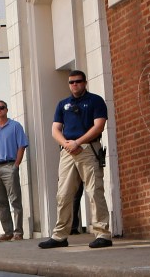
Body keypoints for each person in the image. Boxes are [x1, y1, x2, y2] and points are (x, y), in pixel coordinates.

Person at [39, 70, 112, 249]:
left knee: (94, 191)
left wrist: (78, 142)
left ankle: (102, 234)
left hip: (88, 148)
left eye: (78, 81)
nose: (74, 85)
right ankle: (60, 236)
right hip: (67, 151)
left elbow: (99, 126)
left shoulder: (95, 101)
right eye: (71, 82)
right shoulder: (63, 104)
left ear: (85, 82)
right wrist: (66, 143)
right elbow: (55, 129)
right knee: (63, 194)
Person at [0, 100, 29, 241]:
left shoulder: (15, 126)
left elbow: (22, 146)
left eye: (2, 108)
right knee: (1, 201)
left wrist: (16, 165)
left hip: (9, 166)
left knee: (15, 199)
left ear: (6, 110)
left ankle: (18, 232)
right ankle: (8, 232)